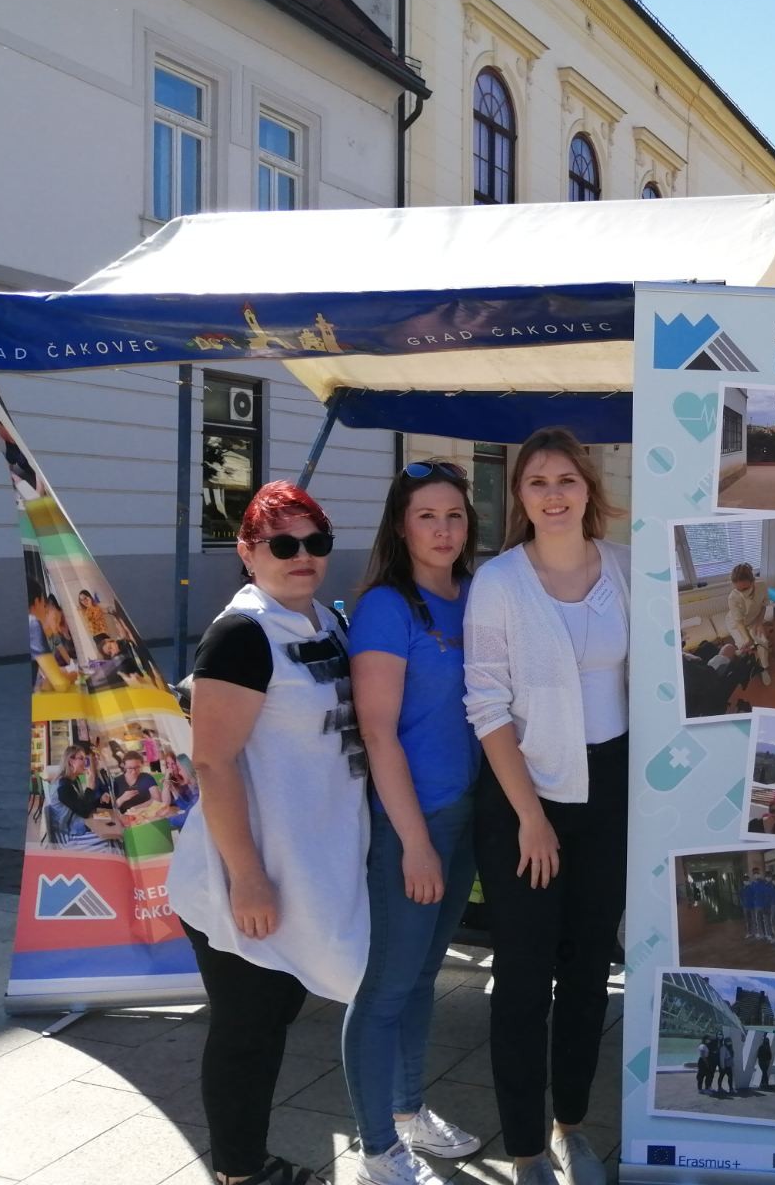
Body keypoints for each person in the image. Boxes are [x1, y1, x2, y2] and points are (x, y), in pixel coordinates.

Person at [166, 481, 370, 1185]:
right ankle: (240, 1172)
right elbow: (213, 761)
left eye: (316, 541)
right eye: (283, 543)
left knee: (274, 1013)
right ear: (249, 552)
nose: (302, 554)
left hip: (305, 863)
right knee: (247, 1028)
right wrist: (248, 878)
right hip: (245, 872)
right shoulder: (242, 634)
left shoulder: (324, 621)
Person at [463, 427, 629, 1185]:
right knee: (525, 979)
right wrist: (530, 816)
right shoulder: (500, 581)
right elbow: (487, 705)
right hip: (525, 799)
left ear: (588, 488)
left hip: (610, 790)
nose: (554, 494)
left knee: (590, 970)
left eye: (566, 479)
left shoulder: (623, 568)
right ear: (519, 497)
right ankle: (526, 1148)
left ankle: (572, 1125)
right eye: (538, 482)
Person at [342, 460, 485, 1185]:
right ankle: (376, 1149)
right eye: (427, 515)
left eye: (454, 515)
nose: (442, 529)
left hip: (467, 814)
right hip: (413, 822)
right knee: (387, 988)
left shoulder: (475, 594)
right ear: (401, 526)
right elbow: (378, 732)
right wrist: (415, 844)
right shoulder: (385, 607)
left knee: (425, 974)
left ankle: (407, 1109)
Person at [726, 563, 773, 687]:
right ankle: (750, 666)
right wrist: (747, 638)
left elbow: (764, 606)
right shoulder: (732, 597)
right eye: (739, 589)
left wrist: (759, 623)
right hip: (737, 623)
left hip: (754, 620)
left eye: (745, 588)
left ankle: (763, 668)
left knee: (763, 641)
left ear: (753, 581)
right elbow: (738, 622)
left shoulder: (761, 586)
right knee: (744, 645)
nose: (742, 592)